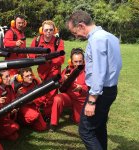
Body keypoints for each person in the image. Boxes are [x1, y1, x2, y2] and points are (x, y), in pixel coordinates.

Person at [67, 10, 122, 150]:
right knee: (99, 126)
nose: (76, 36)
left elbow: (99, 71)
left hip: (100, 93)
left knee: (86, 131)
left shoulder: (96, 39)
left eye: (75, 32)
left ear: (81, 25)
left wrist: (92, 100)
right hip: (110, 89)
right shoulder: (110, 37)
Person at [29, 20, 65, 119]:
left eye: (50, 30)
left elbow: (61, 58)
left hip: (53, 71)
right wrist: (40, 58)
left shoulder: (58, 41)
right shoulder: (36, 40)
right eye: (46, 30)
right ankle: (41, 109)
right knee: (42, 92)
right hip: (41, 72)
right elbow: (31, 55)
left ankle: (48, 115)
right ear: (42, 30)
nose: (48, 32)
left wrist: (49, 60)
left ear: (54, 30)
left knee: (51, 94)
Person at [49, 48, 88, 132]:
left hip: (81, 100)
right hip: (69, 97)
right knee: (57, 98)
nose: (78, 64)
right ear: (71, 61)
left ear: (83, 61)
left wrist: (81, 88)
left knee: (79, 121)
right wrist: (64, 79)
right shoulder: (68, 69)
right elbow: (60, 84)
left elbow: (93, 87)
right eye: (75, 61)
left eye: (80, 61)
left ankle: (75, 114)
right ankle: (53, 124)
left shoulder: (88, 71)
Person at [0, 70, 20, 141]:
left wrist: (15, 109)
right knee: (14, 134)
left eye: (9, 76)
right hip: (0, 120)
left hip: (9, 116)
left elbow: (14, 101)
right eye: (6, 76)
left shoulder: (9, 87)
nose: (9, 78)